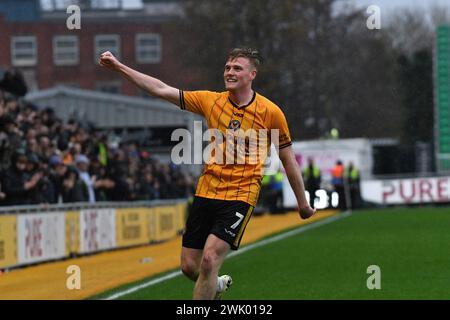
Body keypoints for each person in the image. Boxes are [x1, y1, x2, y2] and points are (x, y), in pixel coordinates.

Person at [99, 47, 316, 300]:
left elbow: (288, 159)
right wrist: (119, 67)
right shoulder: (211, 101)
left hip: (240, 195)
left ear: (252, 74)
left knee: (210, 259)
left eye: (237, 68)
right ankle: (217, 287)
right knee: (190, 267)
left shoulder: (271, 112)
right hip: (206, 191)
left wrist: (303, 203)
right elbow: (160, 89)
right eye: (227, 68)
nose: (230, 72)